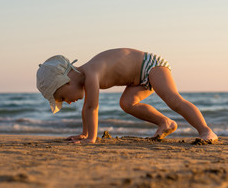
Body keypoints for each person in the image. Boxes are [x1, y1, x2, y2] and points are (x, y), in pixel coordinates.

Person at [36, 48, 218, 144]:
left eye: (61, 97)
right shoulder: (87, 77)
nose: (67, 102)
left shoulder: (92, 74)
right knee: (127, 103)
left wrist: (91, 138)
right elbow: (87, 108)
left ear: (65, 81)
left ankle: (205, 130)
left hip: (151, 65)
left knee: (173, 99)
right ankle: (166, 123)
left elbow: (92, 107)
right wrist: (84, 134)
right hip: (136, 79)